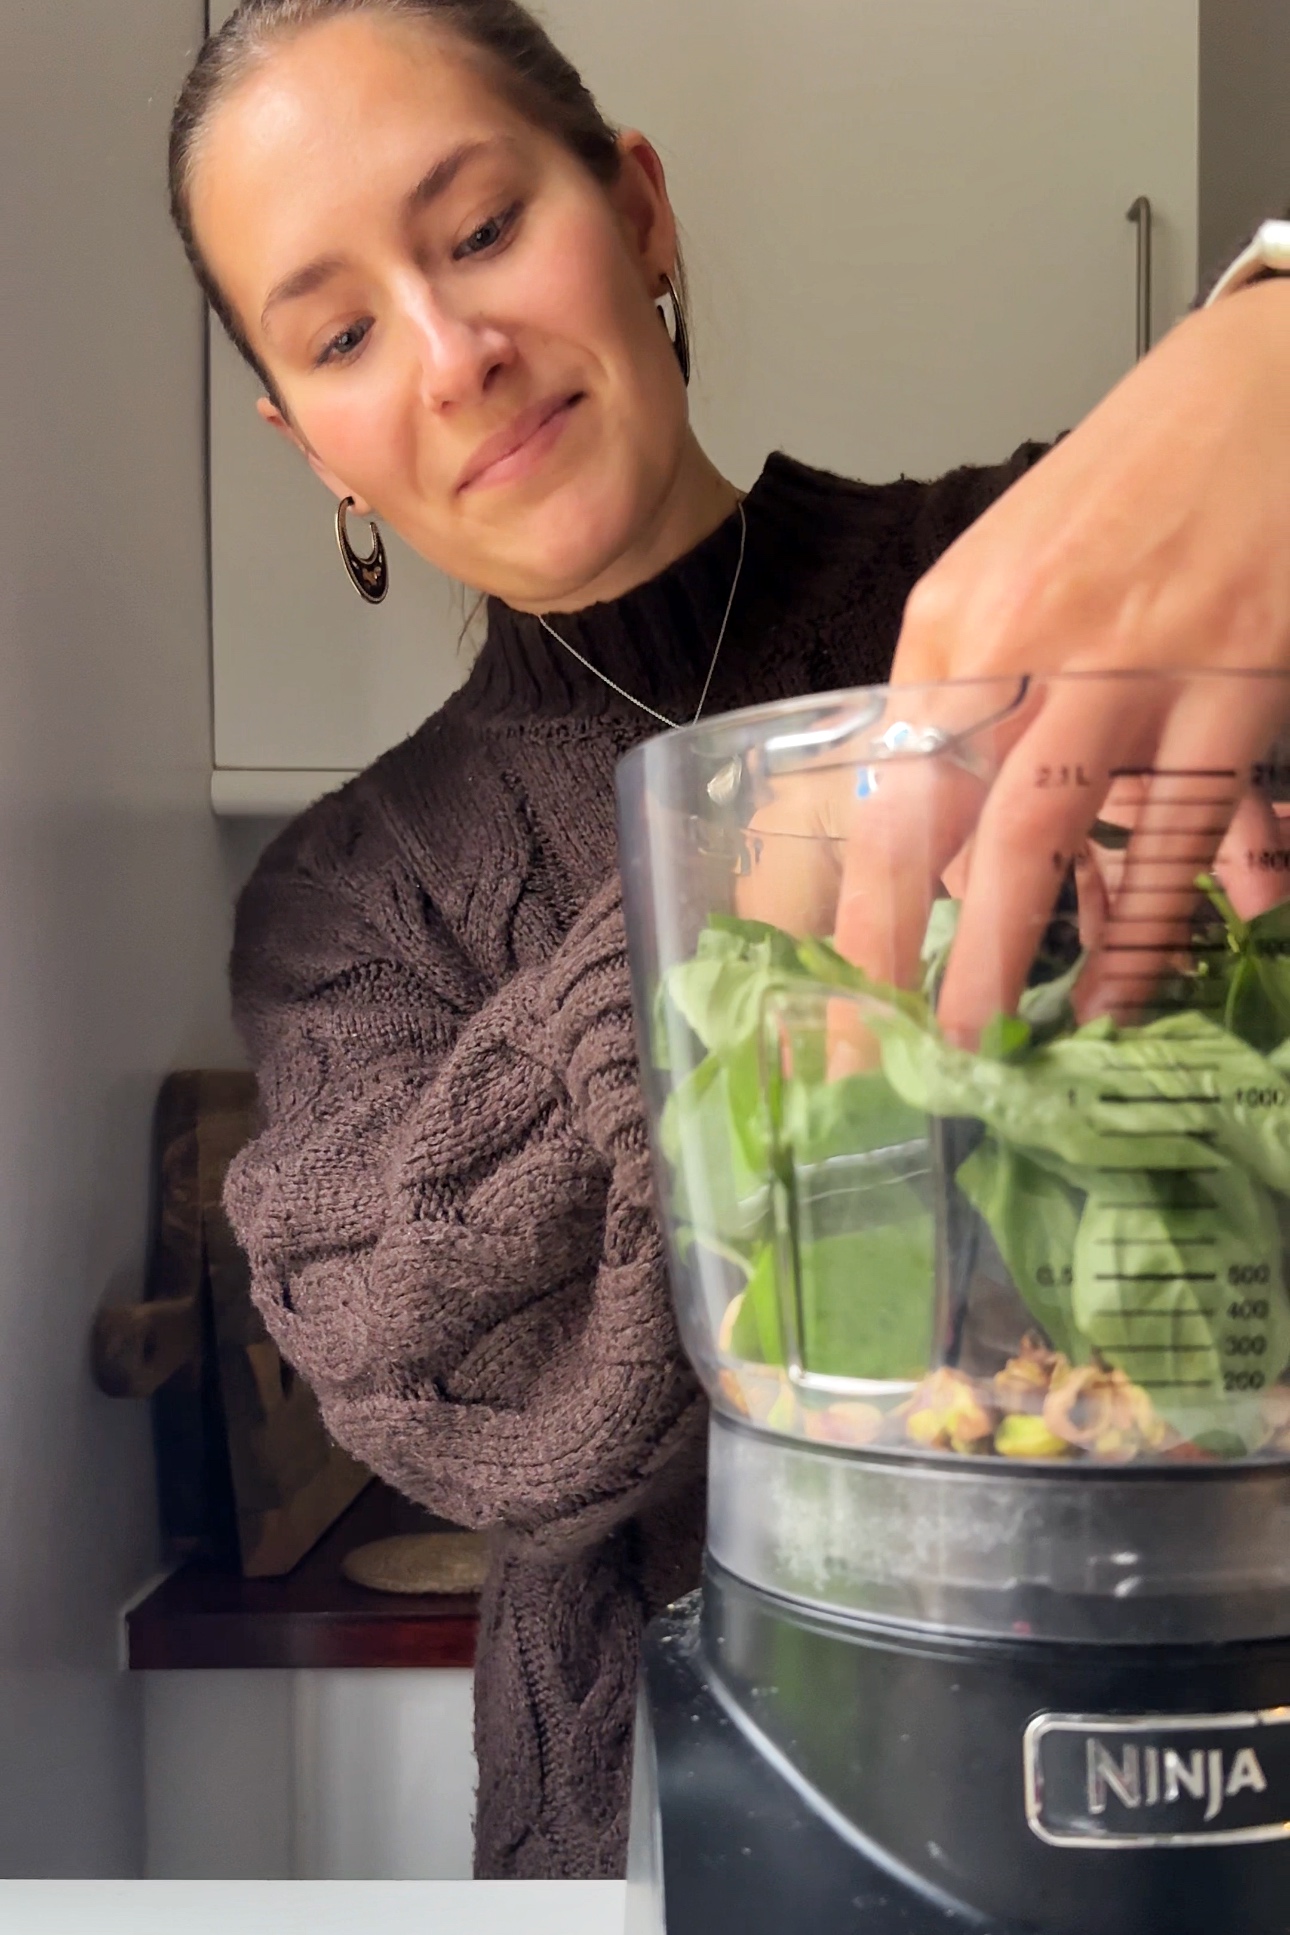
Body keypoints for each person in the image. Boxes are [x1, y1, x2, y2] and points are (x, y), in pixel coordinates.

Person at [168, 0, 1290, 1881]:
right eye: (343, 335)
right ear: (314, 447)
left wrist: (1268, 336)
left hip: (1210, 1743)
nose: (453, 355)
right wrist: (745, 885)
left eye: (482, 229)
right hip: (665, 1829)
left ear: (638, 214)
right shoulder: (350, 898)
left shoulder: (1066, 588)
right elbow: (450, 1391)